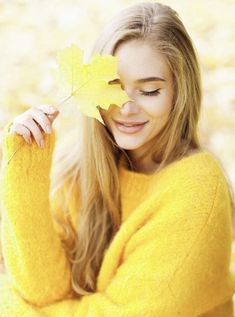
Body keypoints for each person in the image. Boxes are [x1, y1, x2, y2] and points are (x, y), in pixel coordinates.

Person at [0, 2, 235, 316]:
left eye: (149, 90)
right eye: (113, 86)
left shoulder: (197, 192)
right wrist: (25, 169)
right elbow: (42, 291)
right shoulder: (79, 164)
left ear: (180, 93)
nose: (125, 107)